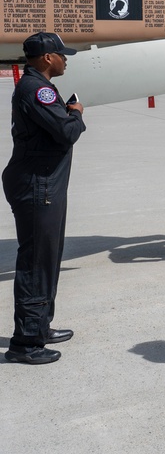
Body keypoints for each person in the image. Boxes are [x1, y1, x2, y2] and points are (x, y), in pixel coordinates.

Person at [3, 32, 85, 365]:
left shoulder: (37, 86)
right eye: (62, 55)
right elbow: (66, 132)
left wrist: (65, 114)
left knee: (48, 257)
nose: (66, 59)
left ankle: (40, 326)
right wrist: (76, 113)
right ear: (48, 58)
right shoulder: (39, 88)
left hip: (44, 183)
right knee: (37, 262)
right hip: (38, 185)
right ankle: (25, 344)